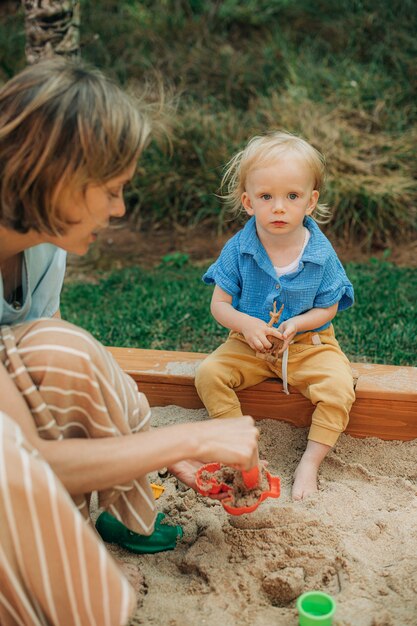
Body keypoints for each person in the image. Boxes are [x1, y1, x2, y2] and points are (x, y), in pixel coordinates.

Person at [0, 59, 259, 626]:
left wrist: (162, 453)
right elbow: (23, 459)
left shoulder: (43, 245)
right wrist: (186, 437)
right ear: (58, 177)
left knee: (62, 348)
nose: (119, 210)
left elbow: (51, 371)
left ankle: (100, 514)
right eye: (113, 191)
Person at [195, 130, 355, 501]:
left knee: (338, 388)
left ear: (310, 202)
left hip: (308, 344)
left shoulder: (320, 252)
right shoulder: (239, 248)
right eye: (267, 196)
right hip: (249, 343)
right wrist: (247, 323)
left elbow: (329, 307)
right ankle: (240, 448)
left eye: (292, 196)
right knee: (209, 374)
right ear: (248, 202)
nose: (279, 207)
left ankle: (310, 463)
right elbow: (219, 306)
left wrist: (298, 322)